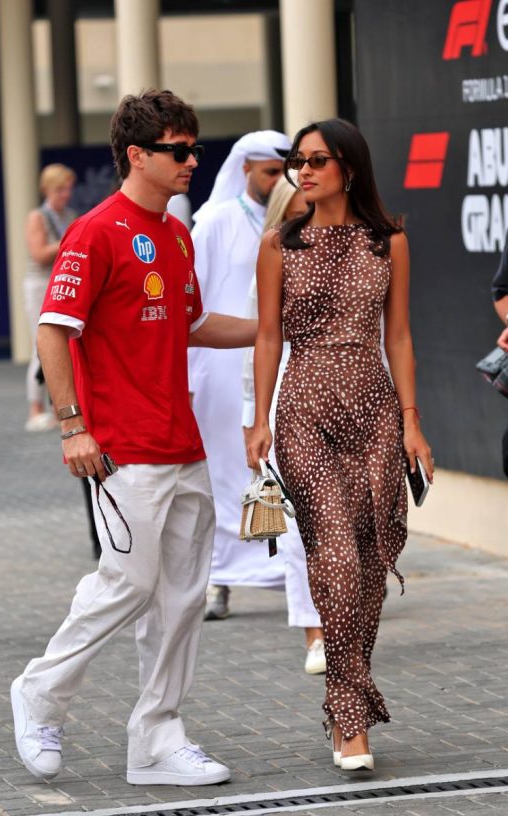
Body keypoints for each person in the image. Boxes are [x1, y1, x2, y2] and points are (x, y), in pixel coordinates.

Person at [10, 89, 257, 788]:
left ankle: (156, 738)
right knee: (126, 583)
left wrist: (273, 327)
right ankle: (40, 691)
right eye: (178, 150)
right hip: (120, 446)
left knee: (180, 598)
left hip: (182, 445)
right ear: (138, 155)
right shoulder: (94, 231)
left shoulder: (176, 234)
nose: (191, 161)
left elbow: (194, 325)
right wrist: (72, 427)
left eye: (194, 149)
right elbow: (54, 330)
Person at [247, 119, 434, 772]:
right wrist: (258, 418)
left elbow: (400, 337)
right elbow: (268, 336)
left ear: (348, 168)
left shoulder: (389, 241)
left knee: (368, 561)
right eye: (298, 160)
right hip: (303, 410)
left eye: (317, 160)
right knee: (333, 556)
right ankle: (348, 715)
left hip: (373, 411)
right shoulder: (278, 243)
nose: (304, 170)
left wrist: (411, 421)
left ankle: (346, 696)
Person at [190, 130, 292, 621]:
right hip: (221, 375)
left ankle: (288, 573)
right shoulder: (214, 221)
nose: (278, 182)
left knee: (274, 473)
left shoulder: (294, 222)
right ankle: (220, 580)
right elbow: (191, 304)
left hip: (276, 367)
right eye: (270, 172)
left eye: (283, 173)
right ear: (246, 169)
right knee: (226, 477)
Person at [241, 174, 325, 674]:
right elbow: (262, 340)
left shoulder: (362, 253)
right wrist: (255, 419)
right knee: (296, 528)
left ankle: (342, 623)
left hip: (352, 397)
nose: (306, 221)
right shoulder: (273, 256)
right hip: (286, 400)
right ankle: (314, 632)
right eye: (296, 213)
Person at [24, 164, 76, 431]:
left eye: (68, 189)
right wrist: (70, 238)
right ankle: (35, 410)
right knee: (41, 346)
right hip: (39, 284)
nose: (65, 194)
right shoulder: (38, 216)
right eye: (60, 189)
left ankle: (59, 410)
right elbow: (39, 254)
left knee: (65, 348)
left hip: (62, 282)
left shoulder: (70, 215)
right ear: (46, 189)